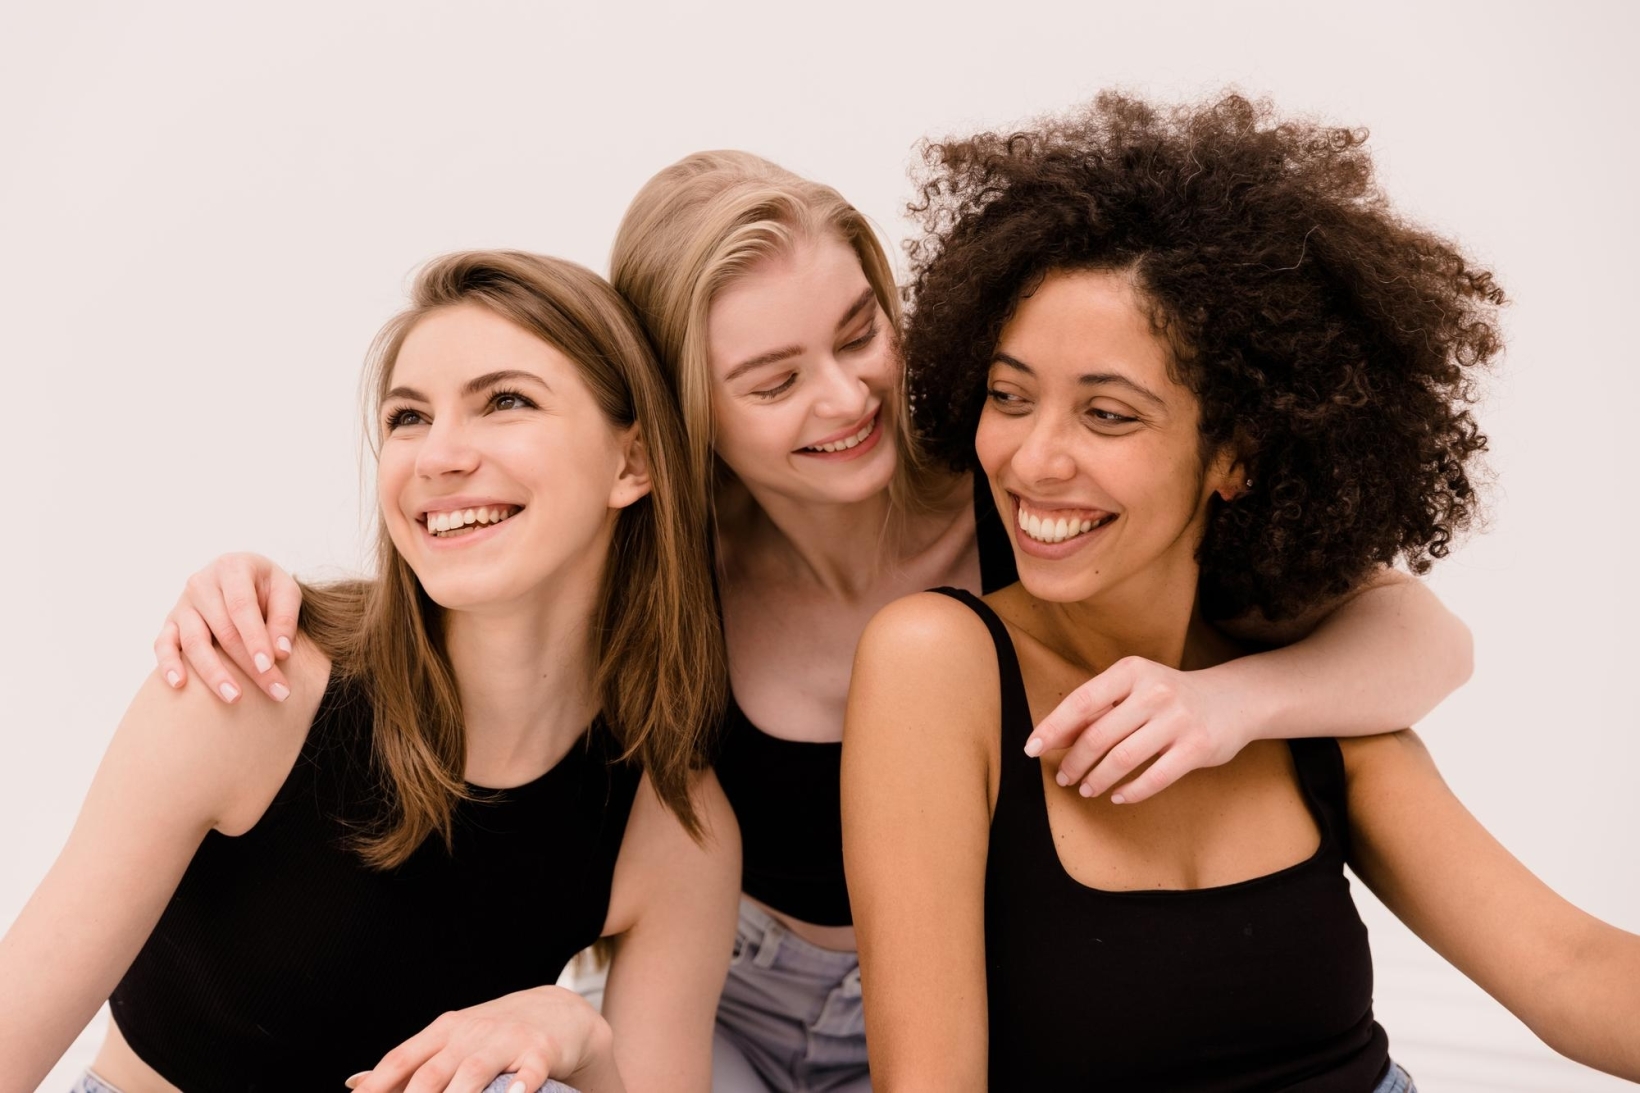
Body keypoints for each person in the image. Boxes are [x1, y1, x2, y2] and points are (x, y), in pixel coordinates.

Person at [153, 153, 1475, 1092]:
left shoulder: (1023, 497)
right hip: (722, 996)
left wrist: (1236, 701)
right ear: (679, 418)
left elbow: (1425, 639)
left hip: (977, 998)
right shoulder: (663, 572)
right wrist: (252, 584)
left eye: (861, 333)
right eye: (773, 379)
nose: (844, 398)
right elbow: (464, 587)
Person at [842, 92, 1640, 1090]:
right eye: (1008, 397)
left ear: (1234, 453)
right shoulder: (939, 663)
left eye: (1106, 413)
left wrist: (1234, 703)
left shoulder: (1303, 687)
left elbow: (1567, 968)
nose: (1033, 458)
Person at [0, 251, 740, 1093]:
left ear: (632, 463)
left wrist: (580, 1034)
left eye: (506, 401)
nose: (439, 455)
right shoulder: (252, 683)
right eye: (408, 417)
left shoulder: (670, 828)